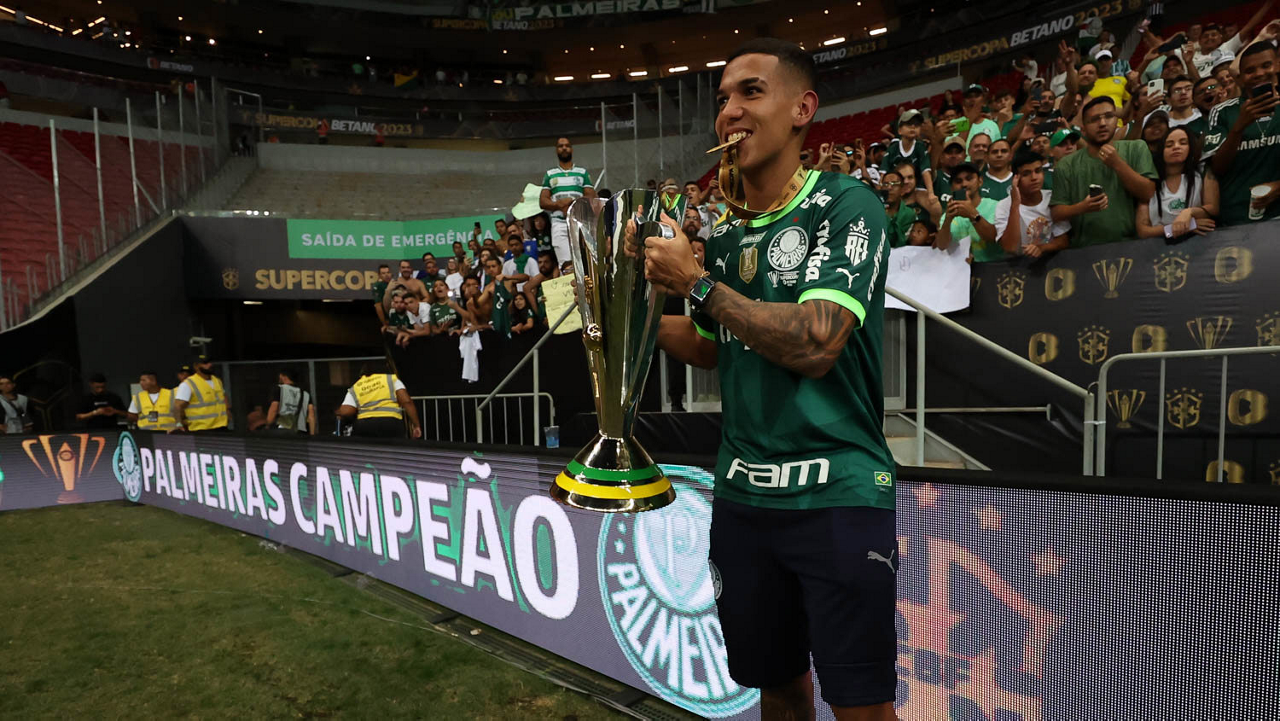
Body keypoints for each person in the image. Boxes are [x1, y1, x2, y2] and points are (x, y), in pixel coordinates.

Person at [643, 38, 898, 720]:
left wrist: (695, 284)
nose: (729, 111)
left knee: (861, 707)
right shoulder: (726, 235)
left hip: (837, 492)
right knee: (778, 691)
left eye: (751, 92)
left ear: (802, 109)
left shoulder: (848, 205)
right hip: (744, 500)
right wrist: (625, 316)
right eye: (723, 98)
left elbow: (817, 341)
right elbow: (712, 345)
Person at [1051, 96, 1157, 245]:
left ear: (1117, 120)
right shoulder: (1066, 164)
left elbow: (1148, 193)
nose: (1102, 123)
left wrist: (1117, 163)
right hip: (1082, 249)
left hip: (1131, 246)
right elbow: (1056, 213)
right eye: (1094, 119)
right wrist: (1082, 207)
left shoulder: (1136, 148)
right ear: (1083, 129)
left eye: (1108, 116)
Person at [1204, 40, 1280, 225]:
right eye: (1250, 70)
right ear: (1240, 77)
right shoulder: (1222, 111)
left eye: (1266, 65)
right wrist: (1239, 126)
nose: (1259, 73)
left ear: (1277, 65)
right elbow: (1217, 168)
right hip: (1236, 217)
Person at [1137, 126, 1220, 238]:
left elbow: (1213, 208)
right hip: (1157, 245)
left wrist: (1188, 212)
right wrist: (1185, 227)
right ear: (1161, 151)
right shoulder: (1150, 182)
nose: (1176, 147)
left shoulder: (1202, 173)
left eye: (1183, 143)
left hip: (1198, 243)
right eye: (1169, 145)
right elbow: (1143, 231)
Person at [996, 150, 1073, 258]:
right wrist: (1015, 205)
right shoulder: (1003, 206)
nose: (1034, 178)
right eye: (1026, 174)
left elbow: (1063, 241)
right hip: (1017, 263)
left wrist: (1041, 248)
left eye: (1038, 171)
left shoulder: (1052, 198)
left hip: (1051, 261)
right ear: (1016, 179)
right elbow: (1010, 247)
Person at [539, 137, 597, 266]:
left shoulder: (582, 173)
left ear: (571, 149)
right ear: (556, 150)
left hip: (579, 222)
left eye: (567, 145)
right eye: (560, 146)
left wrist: (572, 204)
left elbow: (592, 197)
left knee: (583, 263)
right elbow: (542, 201)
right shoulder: (550, 174)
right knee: (566, 265)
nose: (564, 148)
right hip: (559, 224)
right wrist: (558, 205)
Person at [936, 162, 1003, 261]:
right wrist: (947, 220)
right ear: (951, 187)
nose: (964, 184)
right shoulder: (949, 214)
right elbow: (942, 246)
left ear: (980, 181)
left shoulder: (996, 207)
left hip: (991, 266)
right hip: (961, 268)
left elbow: (993, 238)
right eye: (958, 181)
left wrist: (973, 215)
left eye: (969, 178)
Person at [337, 365, 421, 439]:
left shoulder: (356, 386)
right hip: (391, 423)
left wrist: (337, 413)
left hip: (365, 425)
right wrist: (416, 425)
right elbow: (407, 401)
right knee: (395, 450)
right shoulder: (391, 379)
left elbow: (345, 411)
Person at [880, 109, 933, 196]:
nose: (913, 126)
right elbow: (883, 174)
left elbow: (925, 171)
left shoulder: (920, 147)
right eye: (909, 124)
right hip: (896, 189)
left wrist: (931, 193)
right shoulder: (893, 149)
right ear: (899, 130)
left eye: (917, 125)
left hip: (917, 188)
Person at [173, 356, 230, 432]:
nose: (209, 365)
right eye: (205, 363)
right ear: (196, 366)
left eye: (210, 362)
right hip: (201, 429)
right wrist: (178, 424)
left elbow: (223, 396)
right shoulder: (188, 384)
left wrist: (228, 410)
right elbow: (177, 406)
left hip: (222, 426)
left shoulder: (216, 380)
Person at [265, 368, 317, 435]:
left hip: (281, 429)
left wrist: (268, 425)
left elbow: (274, 409)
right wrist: (312, 434)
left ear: (284, 376)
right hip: (299, 432)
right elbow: (311, 416)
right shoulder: (305, 393)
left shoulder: (279, 389)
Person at [880, 170, 915, 248]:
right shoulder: (875, 211)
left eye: (894, 184)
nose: (889, 187)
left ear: (902, 189)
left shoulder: (909, 214)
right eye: (885, 184)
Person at [371, 264, 392, 328]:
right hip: (387, 318)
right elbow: (378, 306)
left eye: (388, 272)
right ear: (379, 275)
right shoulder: (377, 286)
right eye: (383, 273)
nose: (386, 275)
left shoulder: (395, 283)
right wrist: (384, 324)